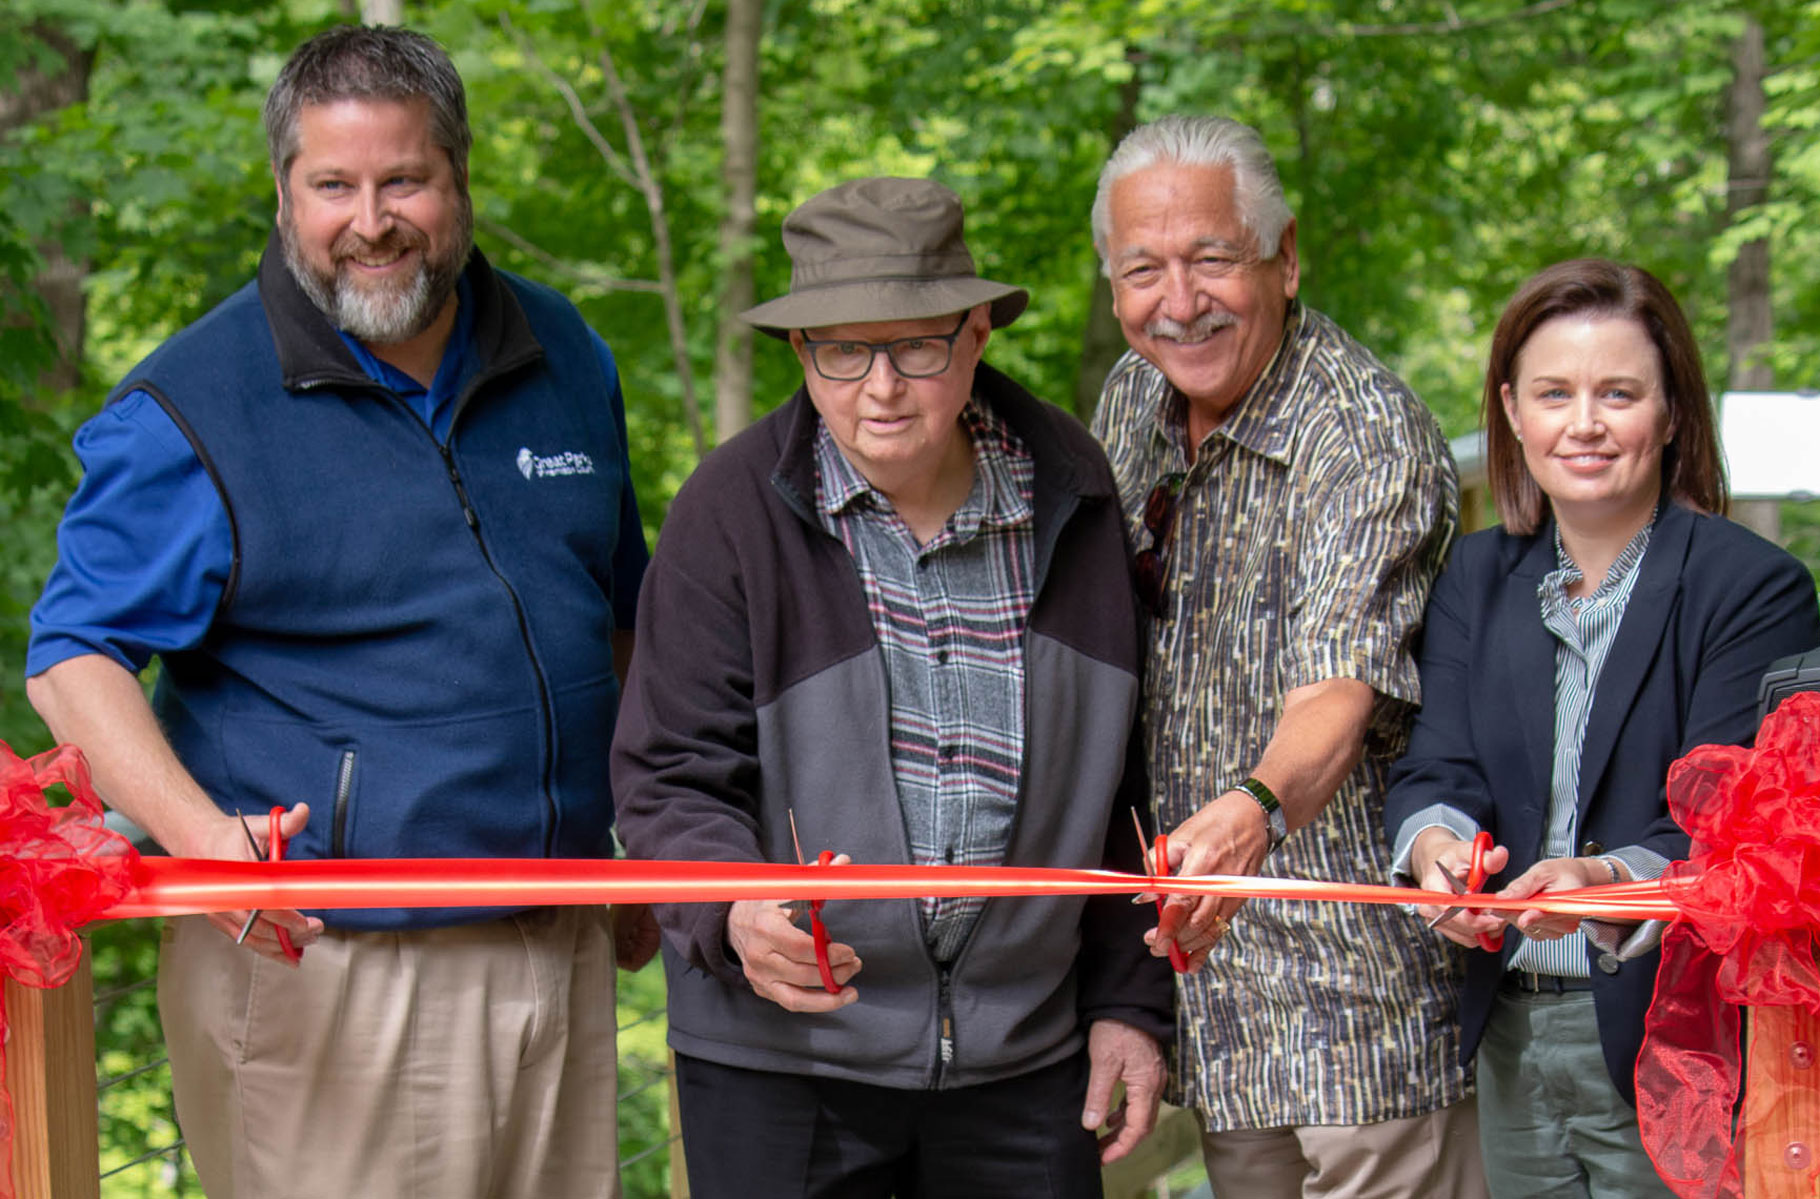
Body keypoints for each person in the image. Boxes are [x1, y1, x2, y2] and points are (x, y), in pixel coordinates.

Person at [24, 26, 650, 1199]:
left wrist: (630, 836)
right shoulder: (193, 404)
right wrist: (206, 843)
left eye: (404, 178)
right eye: (334, 186)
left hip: (563, 933)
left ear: (459, 179)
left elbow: (614, 622)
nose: (373, 219)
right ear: (282, 194)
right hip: (335, 964)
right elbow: (72, 659)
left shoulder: (563, 351)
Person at [610, 176, 1173, 1197]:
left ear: (974, 334)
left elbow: (1129, 788)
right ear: (800, 352)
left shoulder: (1076, 494)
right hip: (785, 1059)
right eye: (842, 350)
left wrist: (1131, 1001)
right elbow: (666, 778)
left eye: (916, 345)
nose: (881, 387)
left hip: (1026, 1059)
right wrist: (733, 907)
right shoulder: (726, 513)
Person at [1087, 114, 1484, 1197]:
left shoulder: (1364, 431)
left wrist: (1255, 800)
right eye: (1143, 270)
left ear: (1285, 255)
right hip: (1218, 1001)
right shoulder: (1131, 399)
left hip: (1361, 1012)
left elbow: (1338, 688)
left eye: (1212, 257)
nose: (1180, 300)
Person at [1384, 258, 1820, 1197]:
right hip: (1505, 1029)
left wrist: (1607, 877)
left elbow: (1740, 825)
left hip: (1681, 1037)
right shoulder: (1473, 578)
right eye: (1554, 393)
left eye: (1618, 393)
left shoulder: (1753, 588)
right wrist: (1439, 854)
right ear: (1511, 410)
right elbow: (1439, 766)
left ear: (1670, 413)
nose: (1583, 423)